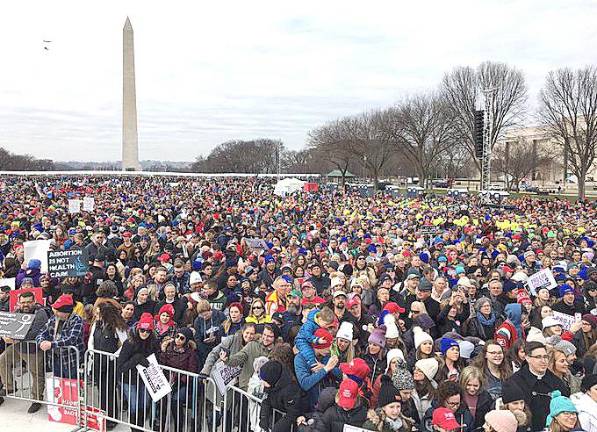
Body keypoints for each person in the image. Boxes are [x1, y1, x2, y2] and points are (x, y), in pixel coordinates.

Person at [0, 290, 48, 413]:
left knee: (37, 374)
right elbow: (9, 327)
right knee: (2, 360)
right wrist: (6, 335)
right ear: (18, 303)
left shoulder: (41, 313)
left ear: (34, 301)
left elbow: (35, 332)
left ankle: (37, 399)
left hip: (33, 350)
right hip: (18, 347)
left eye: (28, 302)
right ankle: (10, 386)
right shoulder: (16, 312)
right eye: (23, 302)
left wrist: (16, 338)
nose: (25, 305)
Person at [505, 341, 569, 431]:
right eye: (538, 357)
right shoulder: (514, 382)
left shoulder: (557, 382)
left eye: (545, 357)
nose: (543, 361)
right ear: (527, 358)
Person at [88, 302, 128, 431]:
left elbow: (125, 344)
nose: (97, 314)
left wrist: (113, 356)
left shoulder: (117, 326)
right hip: (98, 361)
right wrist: (92, 352)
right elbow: (91, 340)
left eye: (99, 312)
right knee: (101, 389)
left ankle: (112, 418)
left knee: (109, 390)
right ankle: (103, 414)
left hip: (110, 363)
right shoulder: (97, 324)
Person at [117, 312, 159, 432]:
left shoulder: (153, 342)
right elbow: (121, 367)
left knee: (144, 405)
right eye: (142, 330)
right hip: (129, 380)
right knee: (134, 406)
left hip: (146, 379)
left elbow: (156, 360)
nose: (144, 333)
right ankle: (135, 430)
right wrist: (136, 359)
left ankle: (139, 428)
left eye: (148, 331)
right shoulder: (129, 343)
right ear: (138, 328)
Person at [158, 327, 198, 432]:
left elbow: (191, 370)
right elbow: (162, 364)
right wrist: (162, 351)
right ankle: (161, 428)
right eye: (177, 336)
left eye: (182, 338)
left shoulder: (190, 353)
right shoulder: (168, 348)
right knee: (163, 401)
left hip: (182, 383)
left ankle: (178, 428)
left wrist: (179, 382)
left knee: (176, 401)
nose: (178, 340)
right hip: (168, 380)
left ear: (187, 340)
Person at [36, 294, 85, 379]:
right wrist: (41, 342)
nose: (56, 313)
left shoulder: (77, 320)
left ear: (67, 311)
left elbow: (71, 339)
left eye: (58, 311)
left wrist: (51, 344)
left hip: (71, 360)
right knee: (58, 387)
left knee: (71, 387)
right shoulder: (53, 318)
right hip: (55, 359)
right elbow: (42, 332)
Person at [258, 360, 309, 432]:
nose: (262, 383)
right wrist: (263, 418)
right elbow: (267, 400)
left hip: (293, 423)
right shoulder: (270, 383)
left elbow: (293, 413)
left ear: (272, 379)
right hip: (278, 415)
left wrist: (277, 429)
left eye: (265, 380)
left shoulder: (290, 389)